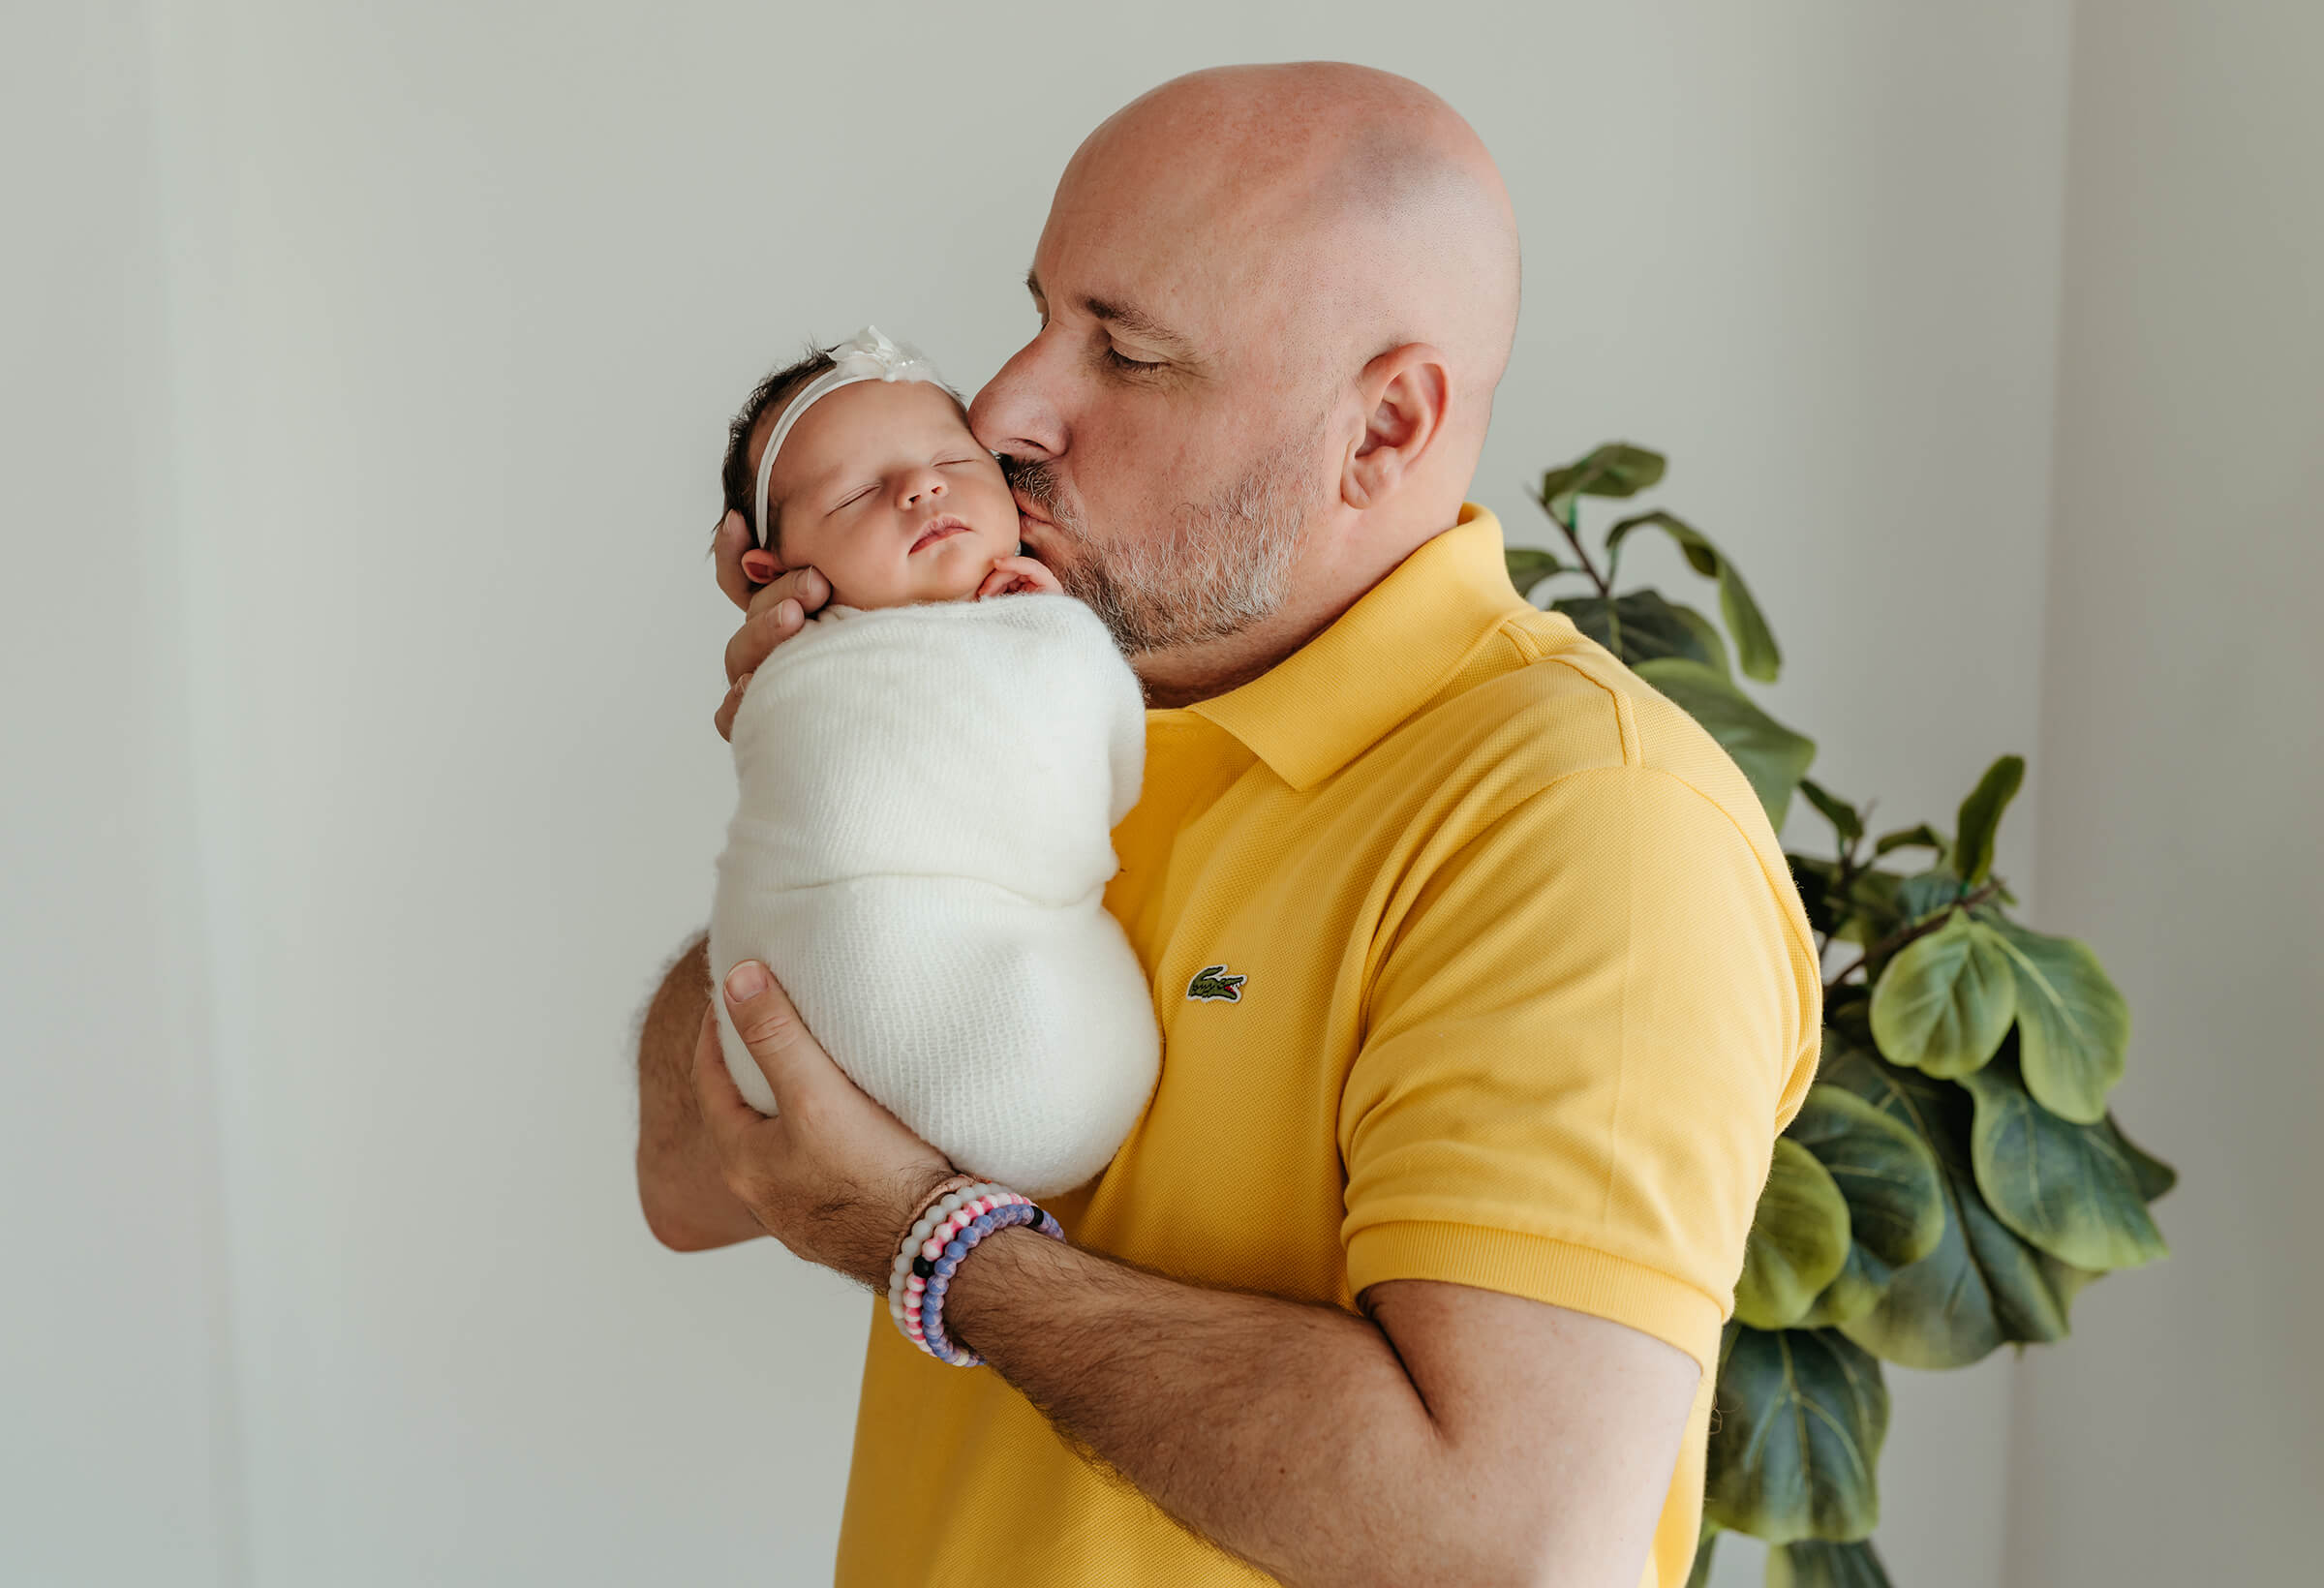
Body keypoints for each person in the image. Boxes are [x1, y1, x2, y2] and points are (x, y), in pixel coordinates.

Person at [637, 61, 1820, 1588]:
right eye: (1043, 310)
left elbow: (1511, 1542)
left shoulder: (1594, 827)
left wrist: (947, 1255)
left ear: (1383, 428)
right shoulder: (1065, 708)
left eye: (1122, 354)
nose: (1002, 405)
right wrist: (817, 803)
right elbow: (693, 1176)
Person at [705, 326, 1157, 1198]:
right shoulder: (789, 670)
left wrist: (1051, 631)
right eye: (859, 495)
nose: (923, 486)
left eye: (955, 459)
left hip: (787, 1057)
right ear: (774, 575)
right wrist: (1063, 637)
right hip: (821, 989)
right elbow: (1111, 772)